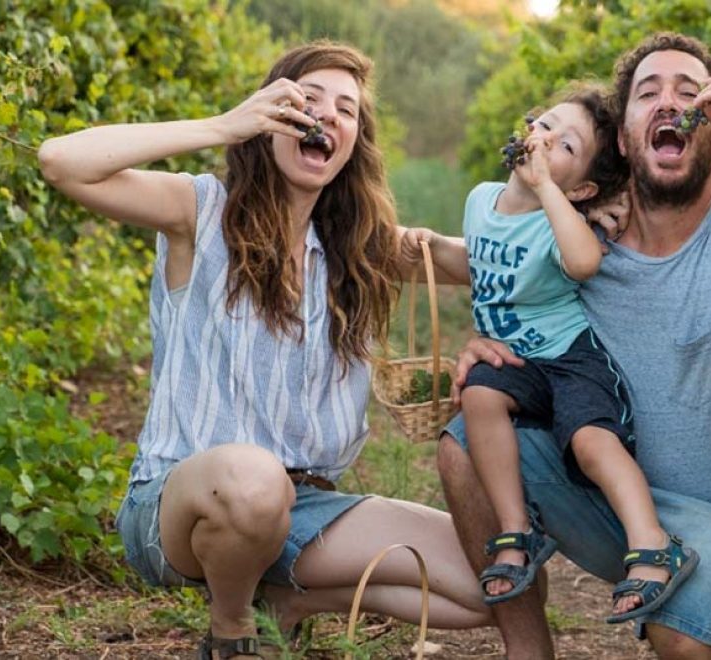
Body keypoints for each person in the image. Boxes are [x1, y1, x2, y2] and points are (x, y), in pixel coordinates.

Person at [37, 41, 490, 659]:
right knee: (254, 481)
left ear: (355, 140)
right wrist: (225, 124)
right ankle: (231, 630)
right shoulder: (199, 212)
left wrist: (575, 211)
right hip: (183, 505)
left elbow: (491, 265)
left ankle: (289, 599)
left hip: (306, 505)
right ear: (270, 118)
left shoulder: (356, 247)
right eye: (308, 100)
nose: (327, 115)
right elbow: (60, 161)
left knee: (494, 579)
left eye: (347, 109)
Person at [437, 32, 711, 659]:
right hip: (626, 509)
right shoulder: (585, 241)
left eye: (691, 94)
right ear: (625, 140)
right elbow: (501, 284)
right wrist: (489, 346)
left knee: (681, 636)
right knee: (466, 442)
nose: (669, 102)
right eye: (647, 93)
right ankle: (528, 651)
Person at [404, 84, 695, 623]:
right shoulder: (478, 200)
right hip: (519, 363)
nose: (544, 140)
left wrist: (553, 194)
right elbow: (480, 267)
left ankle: (653, 544)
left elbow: (584, 262)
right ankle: (515, 532)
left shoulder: (559, 220)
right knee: (480, 398)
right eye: (543, 124)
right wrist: (429, 244)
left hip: (570, 359)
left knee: (591, 441)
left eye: (565, 146)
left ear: (583, 187)